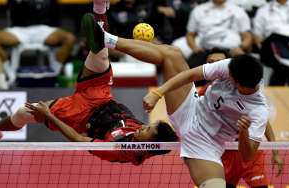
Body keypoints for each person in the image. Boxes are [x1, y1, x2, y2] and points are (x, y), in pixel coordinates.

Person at [0, 0, 178, 166]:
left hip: (81, 116)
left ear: (150, 145)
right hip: (102, 97)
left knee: (23, 114)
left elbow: (79, 141)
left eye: (147, 131)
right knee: (101, 54)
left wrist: (49, 115)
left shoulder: (119, 150)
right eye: (148, 126)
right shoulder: (151, 137)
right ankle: (100, 7)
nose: (143, 128)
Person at [79, 14, 269, 187]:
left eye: (232, 78)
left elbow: (248, 155)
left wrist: (243, 132)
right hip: (191, 108)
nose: (228, 76)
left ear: (242, 85)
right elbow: (190, 76)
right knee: (172, 54)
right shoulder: (232, 66)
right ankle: (104, 39)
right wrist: (158, 93)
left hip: (206, 143)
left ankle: (104, 38)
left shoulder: (258, 110)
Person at [200, 52, 284, 188]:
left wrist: (275, 152)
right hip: (226, 152)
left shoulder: (247, 92)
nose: (215, 63)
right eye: (211, 61)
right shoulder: (207, 93)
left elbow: (265, 124)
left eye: (220, 61)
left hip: (250, 152)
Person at [0, 0, 76, 67]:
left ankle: (54, 71)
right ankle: (8, 72)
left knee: (69, 38)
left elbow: (55, 12)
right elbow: (12, 10)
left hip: (45, 29)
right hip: (19, 29)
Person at [253, 0, 289, 85]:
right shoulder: (263, 10)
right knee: (275, 38)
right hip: (270, 49)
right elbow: (258, 38)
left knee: (280, 71)